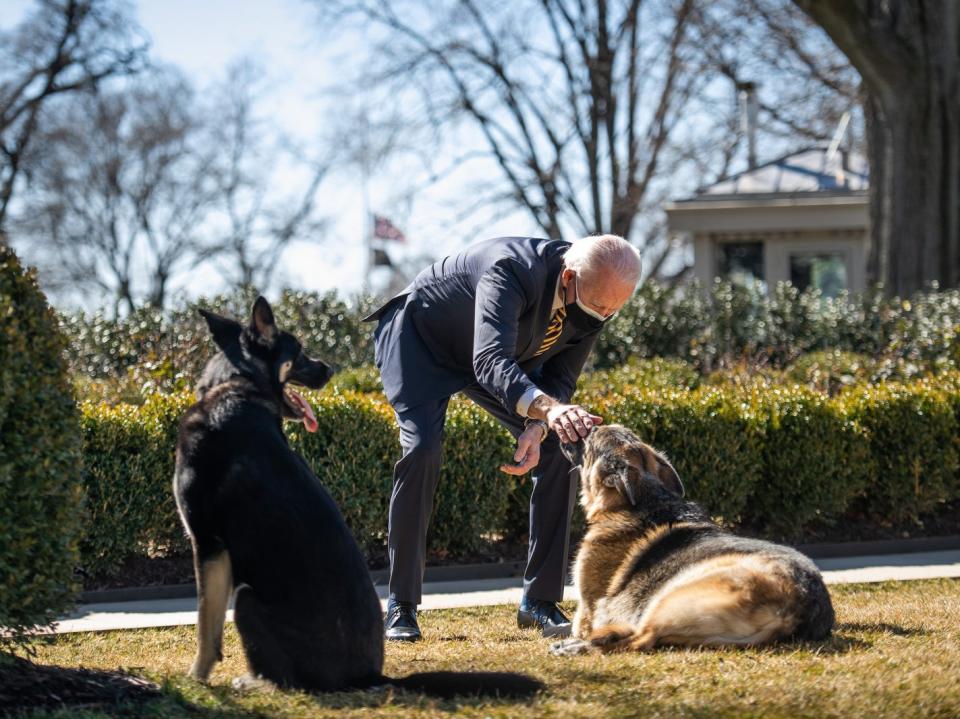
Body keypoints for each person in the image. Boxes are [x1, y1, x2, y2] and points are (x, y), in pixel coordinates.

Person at [364, 234, 642, 641]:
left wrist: (539, 425)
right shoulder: (510, 270)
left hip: (491, 358)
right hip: (419, 341)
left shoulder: (597, 292)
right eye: (599, 306)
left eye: (614, 309)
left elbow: (561, 377)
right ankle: (401, 605)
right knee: (422, 449)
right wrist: (547, 408)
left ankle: (539, 602)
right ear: (567, 277)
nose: (603, 316)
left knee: (560, 449)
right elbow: (490, 359)